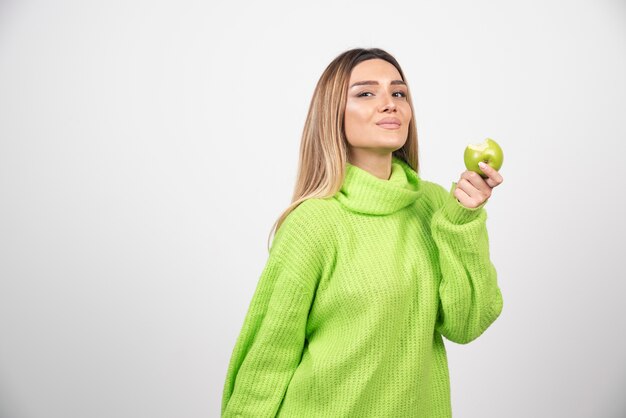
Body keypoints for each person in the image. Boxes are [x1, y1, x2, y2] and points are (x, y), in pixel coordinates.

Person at [221, 47, 504, 417]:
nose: (390, 104)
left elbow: (467, 323)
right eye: (366, 93)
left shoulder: (437, 206)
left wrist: (463, 220)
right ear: (333, 114)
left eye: (398, 93)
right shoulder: (314, 223)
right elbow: (268, 355)